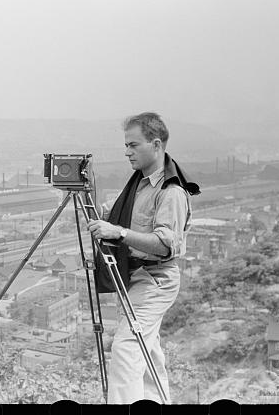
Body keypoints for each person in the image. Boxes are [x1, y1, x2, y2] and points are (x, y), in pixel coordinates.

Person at [87, 112, 199, 404]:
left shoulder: (170, 191)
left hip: (155, 279)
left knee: (126, 349)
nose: (127, 152)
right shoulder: (140, 183)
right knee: (148, 355)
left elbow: (164, 245)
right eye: (126, 145)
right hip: (135, 279)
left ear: (156, 144)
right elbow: (112, 214)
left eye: (133, 145)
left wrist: (119, 233)